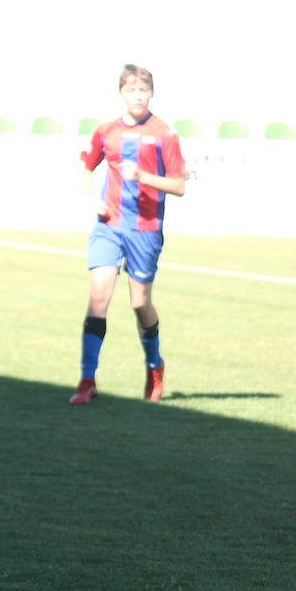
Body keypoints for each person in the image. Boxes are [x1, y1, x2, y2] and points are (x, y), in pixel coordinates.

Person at [69, 63, 186, 405]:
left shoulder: (165, 133)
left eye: (144, 89)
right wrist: (95, 201)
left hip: (146, 230)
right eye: (132, 90)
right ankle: (87, 380)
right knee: (98, 298)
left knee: (139, 303)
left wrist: (144, 177)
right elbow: (85, 168)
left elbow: (178, 185)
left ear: (151, 93)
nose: (138, 95)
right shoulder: (107, 131)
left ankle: (154, 366)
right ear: (122, 93)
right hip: (109, 227)